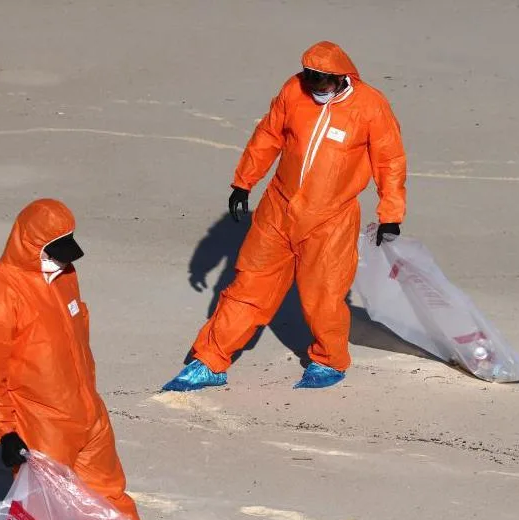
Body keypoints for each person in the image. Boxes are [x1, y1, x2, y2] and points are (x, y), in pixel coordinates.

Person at [164, 40, 407, 392]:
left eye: (321, 80)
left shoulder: (371, 106)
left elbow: (390, 161)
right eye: (309, 77)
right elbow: (268, 135)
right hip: (277, 211)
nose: (314, 85)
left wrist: (391, 214)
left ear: (340, 78)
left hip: (330, 220)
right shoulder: (294, 91)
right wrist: (244, 182)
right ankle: (210, 361)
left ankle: (328, 360)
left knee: (323, 295)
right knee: (247, 286)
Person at [0, 199, 155, 520]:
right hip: (42, 430)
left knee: (111, 502)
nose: (63, 260)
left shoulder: (66, 276)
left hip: (88, 415)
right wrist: (4, 432)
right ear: (30, 244)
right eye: (54, 252)